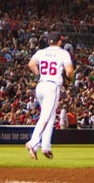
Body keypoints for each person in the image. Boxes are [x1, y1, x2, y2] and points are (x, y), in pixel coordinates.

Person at [25, 31, 74, 160]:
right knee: (46, 117)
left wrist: (39, 74)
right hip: (52, 86)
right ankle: (33, 143)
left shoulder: (41, 52)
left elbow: (31, 64)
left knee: (50, 116)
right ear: (60, 41)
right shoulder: (63, 53)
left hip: (41, 85)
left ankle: (46, 146)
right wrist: (70, 79)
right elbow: (69, 71)